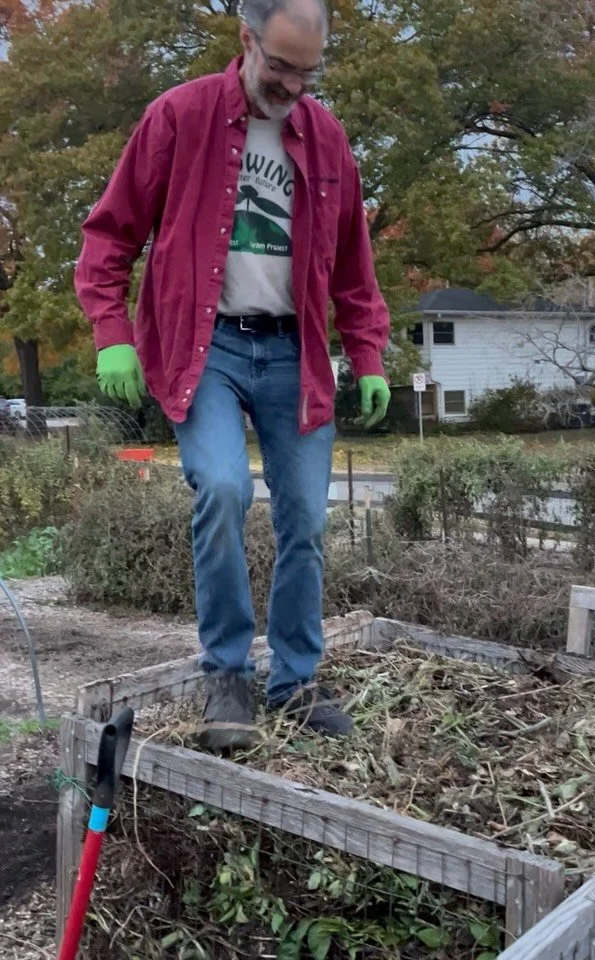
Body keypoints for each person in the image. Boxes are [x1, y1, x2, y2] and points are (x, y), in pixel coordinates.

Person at [74, 0, 391, 750]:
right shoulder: (178, 117)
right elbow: (110, 232)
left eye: (308, 72)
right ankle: (227, 673)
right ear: (246, 40)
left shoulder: (327, 140)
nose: (293, 86)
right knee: (221, 488)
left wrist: (369, 352)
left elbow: (353, 264)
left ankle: (295, 682)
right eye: (280, 66)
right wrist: (111, 334)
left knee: (307, 523)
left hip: (294, 353)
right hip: (204, 346)